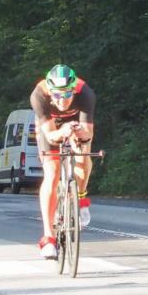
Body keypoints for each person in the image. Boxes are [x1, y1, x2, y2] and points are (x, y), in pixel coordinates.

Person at [29, 65, 95, 260]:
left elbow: (88, 133)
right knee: (52, 171)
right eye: (57, 95)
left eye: (67, 94)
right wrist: (63, 132)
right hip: (51, 126)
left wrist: (79, 133)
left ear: (73, 89)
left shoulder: (85, 94)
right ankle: (48, 238)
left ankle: (81, 198)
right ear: (50, 92)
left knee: (83, 156)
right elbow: (49, 136)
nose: (62, 100)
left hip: (76, 120)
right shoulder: (39, 96)